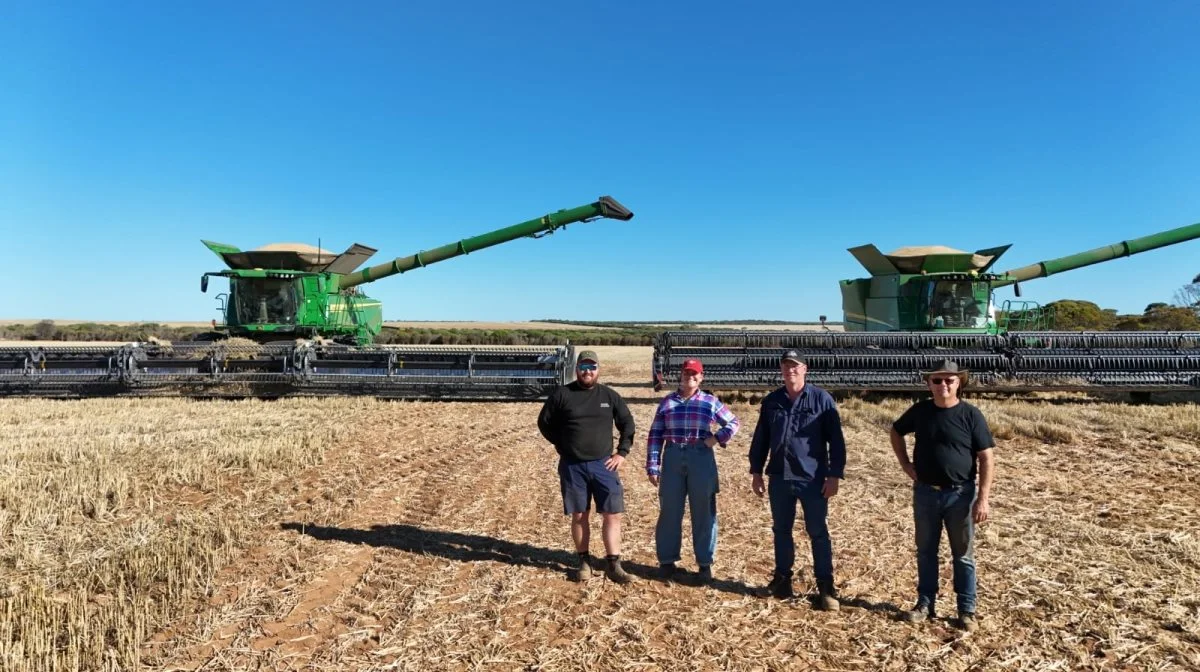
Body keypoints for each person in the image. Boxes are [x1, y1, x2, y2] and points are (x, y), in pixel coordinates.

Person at [889, 359, 995, 632]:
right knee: (926, 552)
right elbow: (896, 431)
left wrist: (983, 499)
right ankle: (925, 603)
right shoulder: (920, 411)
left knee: (962, 555)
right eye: (937, 380)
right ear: (928, 384)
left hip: (960, 496)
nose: (943, 385)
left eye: (949, 380)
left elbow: (986, 457)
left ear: (959, 382)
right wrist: (905, 465)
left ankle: (966, 609)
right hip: (925, 493)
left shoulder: (971, 415)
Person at [747, 349, 846, 610]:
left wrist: (834, 475)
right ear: (781, 370)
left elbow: (836, 441)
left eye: (795, 365)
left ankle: (825, 586)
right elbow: (761, 439)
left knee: (818, 532)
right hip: (779, 476)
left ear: (805, 369)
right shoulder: (772, 401)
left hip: (812, 478)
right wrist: (756, 471)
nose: (790, 370)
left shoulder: (821, 399)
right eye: (786, 366)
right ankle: (782, 580)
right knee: (781, 530)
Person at [537, 350, 637, 584]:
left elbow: (627, 424)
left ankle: (614, 564)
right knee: (580, 515)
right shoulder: (563, 395)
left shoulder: (609, 396)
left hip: (604, 465)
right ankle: (584, 562)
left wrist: (622, 453)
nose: (587, 372)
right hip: (573, 466)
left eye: (592, 367)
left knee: (612, 514)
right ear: (577, 369)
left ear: (598, 369)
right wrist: (562, 444)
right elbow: (544, 423)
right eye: (583, 367)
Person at [645, 358, 740, 585]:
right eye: (687, 373)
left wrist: (716, 438)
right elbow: (655, 435)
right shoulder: (667, 403)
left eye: (695, 374)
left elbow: (733, 423)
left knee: (704, 511)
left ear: (701, 377)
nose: (690, 377)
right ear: (681, 376)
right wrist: (653, 465)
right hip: (673, 456)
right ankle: (667, 562)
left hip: (701, 457)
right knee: (670, 510)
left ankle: (705, 564)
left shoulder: (709, 401)